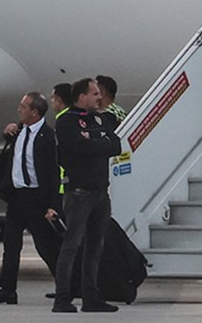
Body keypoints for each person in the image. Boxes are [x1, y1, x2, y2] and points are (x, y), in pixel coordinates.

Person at [0, 92, 61, 305]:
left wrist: (53, 204)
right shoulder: (19, 131)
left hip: (36, 197)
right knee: (11, 244)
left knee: (45, 245)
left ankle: (67, 285)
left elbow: (53, 173)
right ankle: (7, 289)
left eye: (23, 106)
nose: (19, 109)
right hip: (17, 196)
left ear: (35, 112)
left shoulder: (46, 136)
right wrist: (6, 132)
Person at [52, 78, 122, 314]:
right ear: (81, 97)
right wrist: (99, 142)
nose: (99, 97)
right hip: (79, 194)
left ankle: (91, 297)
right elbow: (77, 148)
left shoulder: (100, 118)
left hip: (100, 192)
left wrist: (93, 141)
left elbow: (116, 145)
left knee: (95, 247)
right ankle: (62, 298)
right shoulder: (67, 121)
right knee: (71, 246)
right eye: (94, 94)